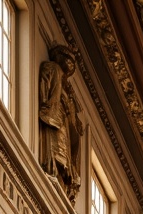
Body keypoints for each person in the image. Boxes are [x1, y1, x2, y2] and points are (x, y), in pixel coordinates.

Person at [38, 46, 83, 200]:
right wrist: (45, 103)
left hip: (61, 122)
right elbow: (45, 86)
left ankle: (60, 183)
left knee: (64, 154)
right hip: (54, 119)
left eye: (72, 63)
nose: (70, 64)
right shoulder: (53, 68)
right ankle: (53, 174)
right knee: (55, 150)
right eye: (68, 59)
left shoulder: (67, 90)